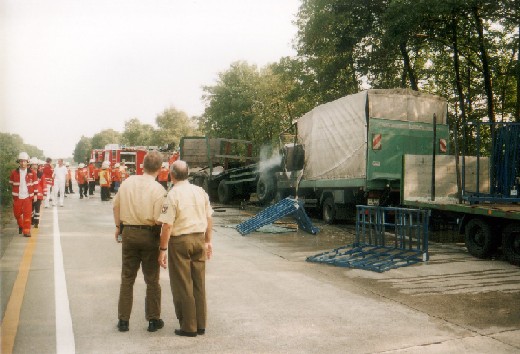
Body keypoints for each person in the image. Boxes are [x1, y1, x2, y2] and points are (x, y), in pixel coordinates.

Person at [158, 160, 213, 337]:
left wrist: (162, 249)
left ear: (171, 175)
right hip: (198, 238)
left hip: (180, 241)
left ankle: (189, 326)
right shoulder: (200, 191)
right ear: (188, 173)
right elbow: (209, 218)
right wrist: (207, 241)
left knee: (183, 284)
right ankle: (201, 324)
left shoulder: (172, 195)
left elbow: (167, 225)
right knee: (199, 282)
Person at [113, 150, 167, 333]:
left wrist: (118, 227)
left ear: (142, 165)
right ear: (159, 169)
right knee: (152, 279)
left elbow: (116, 206)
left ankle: (123, 320)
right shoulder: (159, 190)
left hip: (128, 233)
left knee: (127, 278)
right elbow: (160, 219)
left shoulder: (127, 183)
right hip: (149, 234)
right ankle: (153, 319)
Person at [9, 152, 37, 237]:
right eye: (21, 161)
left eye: (24, 161)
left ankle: (26, 231)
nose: (23, 163)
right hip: (17, 197)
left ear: (27, 162)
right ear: (19, 162)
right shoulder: (14, 172)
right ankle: (21, 226)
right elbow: (11, 183)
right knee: (17, 214)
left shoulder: (32, 173)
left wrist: (35, 195)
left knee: (27, 214)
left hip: (28, 197)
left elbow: (35, 184)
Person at [29, 157, 46, 228]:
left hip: (39, 195)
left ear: (38, 165)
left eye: (36, 164)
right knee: (30, 209)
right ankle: (32, 220)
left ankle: (36, 222)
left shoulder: (41, 174)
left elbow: (44, 184)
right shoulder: (28, 173)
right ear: (30, 165)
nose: (34, 166)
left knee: (37, 209)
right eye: (33, 164)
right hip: (30, 194)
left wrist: (44, 194)